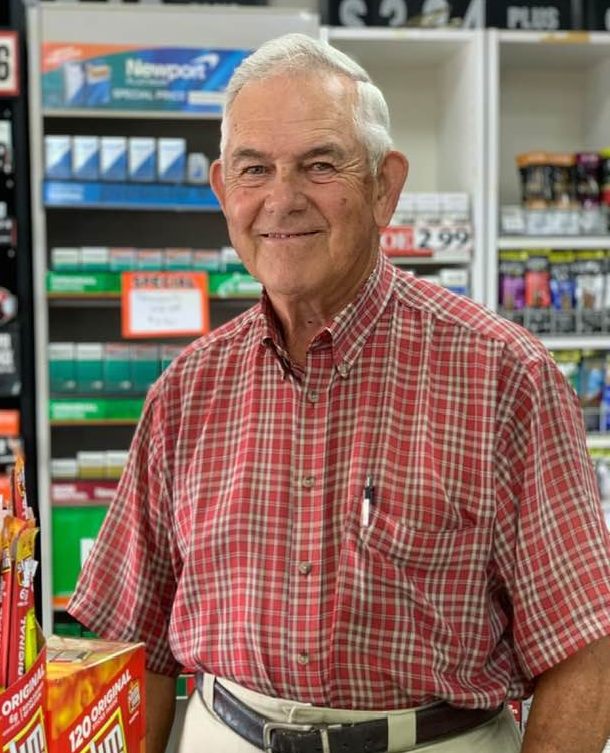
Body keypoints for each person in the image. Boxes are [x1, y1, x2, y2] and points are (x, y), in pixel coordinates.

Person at [68, 33, 610, 753]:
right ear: (224, 191)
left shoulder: (505, 376)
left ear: (385, 186)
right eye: (254, 169)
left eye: (320, 165)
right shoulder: (185, 392)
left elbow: (584, 651)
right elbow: (131, 645)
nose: (282, 199)